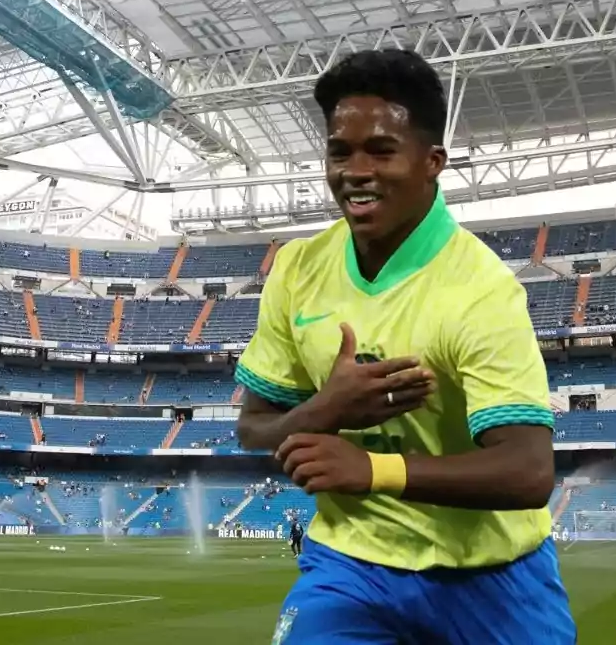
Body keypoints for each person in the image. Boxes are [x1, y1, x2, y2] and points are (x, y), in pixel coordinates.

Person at [234, 49, 575, 644]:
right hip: (349, 568)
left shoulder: (480, 289)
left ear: (431, 162)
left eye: (381, 151)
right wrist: (327, 411)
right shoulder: (297, 269)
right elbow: (253, 430)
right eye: (340, 152)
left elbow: (527, 470)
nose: (354, 170)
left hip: (493, 576)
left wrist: (370, 469)